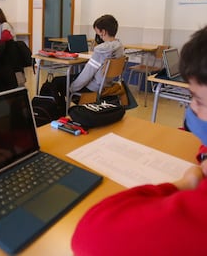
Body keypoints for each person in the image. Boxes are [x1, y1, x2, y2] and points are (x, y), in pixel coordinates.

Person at [71, 26, 207, 256]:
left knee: (59, 85)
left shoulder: (102, 49)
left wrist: (184, 184)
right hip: (112, 87)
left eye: (199, 101)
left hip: (94, 88)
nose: (191, 109)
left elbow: (91, 237)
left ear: (101, 31)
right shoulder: (120, 45)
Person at [69, 14, 124, 93]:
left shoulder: (100, 50)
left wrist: (72, 88)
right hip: (107, 86)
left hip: (93, 89)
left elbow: (87, 74)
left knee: (57, 82)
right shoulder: (120, 47)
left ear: (103, 32)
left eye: (97, 31)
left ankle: (63, 105)